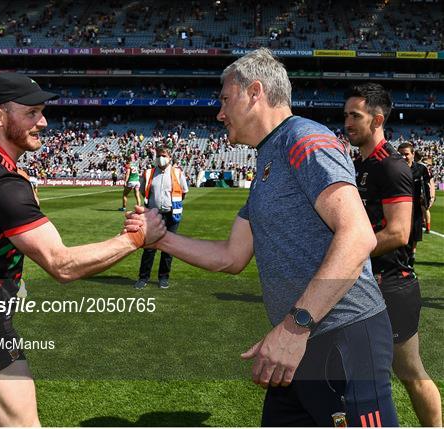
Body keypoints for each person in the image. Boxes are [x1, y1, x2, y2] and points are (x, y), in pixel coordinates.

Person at [126, 48, 398, 426]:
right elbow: (231, 256)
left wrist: (293, 327)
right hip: (300, 344)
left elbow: (357, 236)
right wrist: (158, 240)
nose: (219, 114)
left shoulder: (304, 138)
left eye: (224, 100)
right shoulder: (268, 159)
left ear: (254, 92)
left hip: (342, 336)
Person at [0, 72, 166, 427]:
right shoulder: (3, 185)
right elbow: (62, 264)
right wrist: (135, 239)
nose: (44, 121)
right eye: (32, 113)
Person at [344, 83, 441, 427]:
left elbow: (398, 232)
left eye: (355, 116)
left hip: (390, 286)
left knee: (409, 373)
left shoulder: (392, 166)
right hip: (363, 282)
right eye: (346, 115)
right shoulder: (360, 164)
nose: (347, 122)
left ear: (377, 119)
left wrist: (346, 252)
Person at [134, 145, 188, 290]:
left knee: (168, 248)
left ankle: (164, 277)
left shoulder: (177, 173)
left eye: (163, 155)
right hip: (154, 215)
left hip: (171, 214)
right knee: (150, 247)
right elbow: (143, 190)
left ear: (170, 157)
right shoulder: (149, 173)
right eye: (158, 155)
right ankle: (143, 278)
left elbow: (183, 191)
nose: (160, 158)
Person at [397, 143, 434, 265]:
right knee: (400, 233)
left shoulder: (421, 169)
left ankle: (411, 257)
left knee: (415, 232)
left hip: (415, 206)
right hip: (398, 207)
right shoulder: (394, 169)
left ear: (413, 154)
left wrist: (429, 199)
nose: (403, 157)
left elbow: (428, 184)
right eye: (400, 154)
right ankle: (402, 258)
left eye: (406, 154)